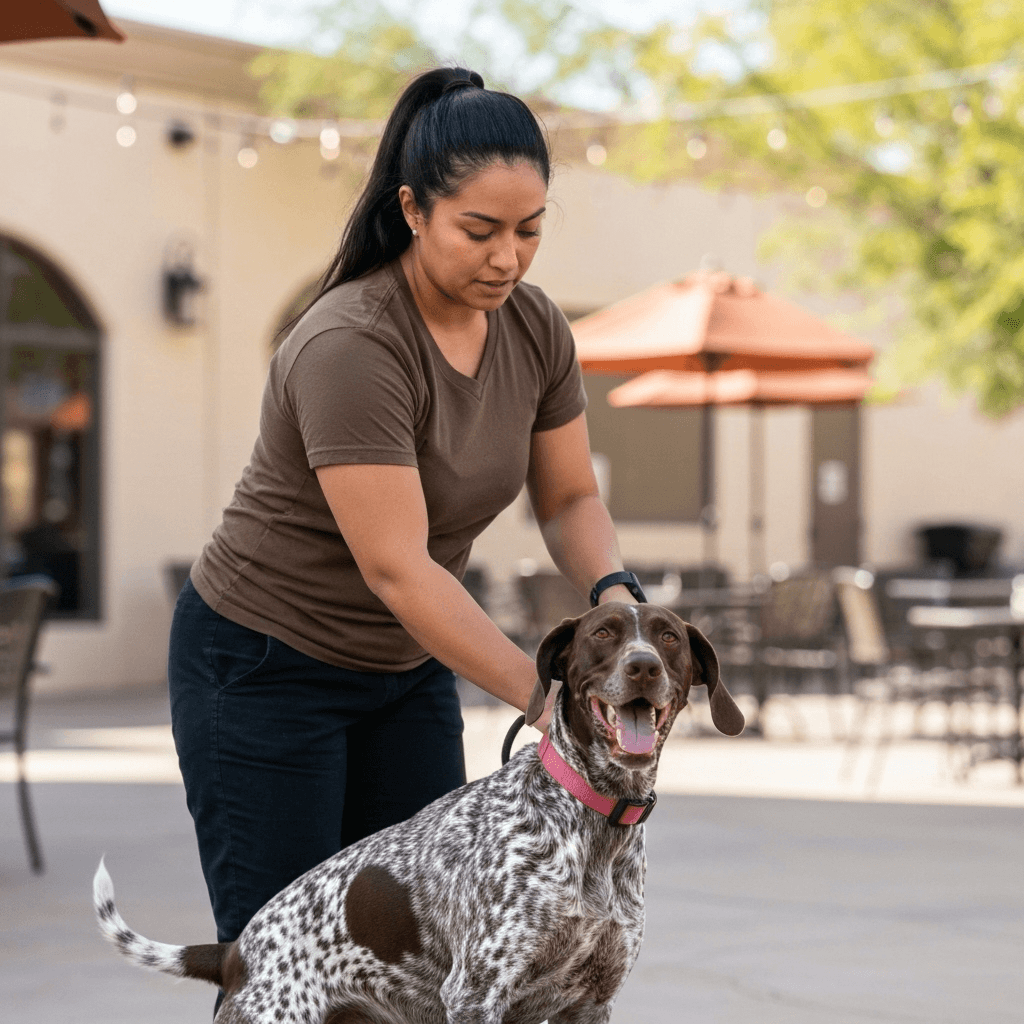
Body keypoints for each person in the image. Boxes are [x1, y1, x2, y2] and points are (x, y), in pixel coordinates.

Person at [168, 66, 640, 1006]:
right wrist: (546, 698)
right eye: (480, 229)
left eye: (530, 229)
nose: (509, 257)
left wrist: (615, 606)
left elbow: (569, 499)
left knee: (423, 963)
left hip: (403, 674)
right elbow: (397, 568)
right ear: (414, 210)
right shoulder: (353, 344)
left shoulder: (537, 329)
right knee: (288, 968)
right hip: (263, 670)